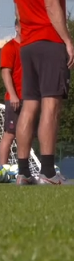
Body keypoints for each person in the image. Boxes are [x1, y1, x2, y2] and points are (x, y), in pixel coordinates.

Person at [11, 0, 74, 185]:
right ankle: (49, 173)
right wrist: (68, 41)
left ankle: (23, 172)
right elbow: (52, 5)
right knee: (51, 105)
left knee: (30, 106)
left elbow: (17, 8)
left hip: (26, 44)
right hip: (49, 41)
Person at [0, 20, 23, 166]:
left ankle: (23, 169)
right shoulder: (10, 47)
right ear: (16, 27)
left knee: (26, 134)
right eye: (23, 26)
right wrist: (13, 94)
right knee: (10, 133)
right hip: (15, 98)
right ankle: (2, 168)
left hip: (30, 99)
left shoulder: (29, 49)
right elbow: (5, 72)